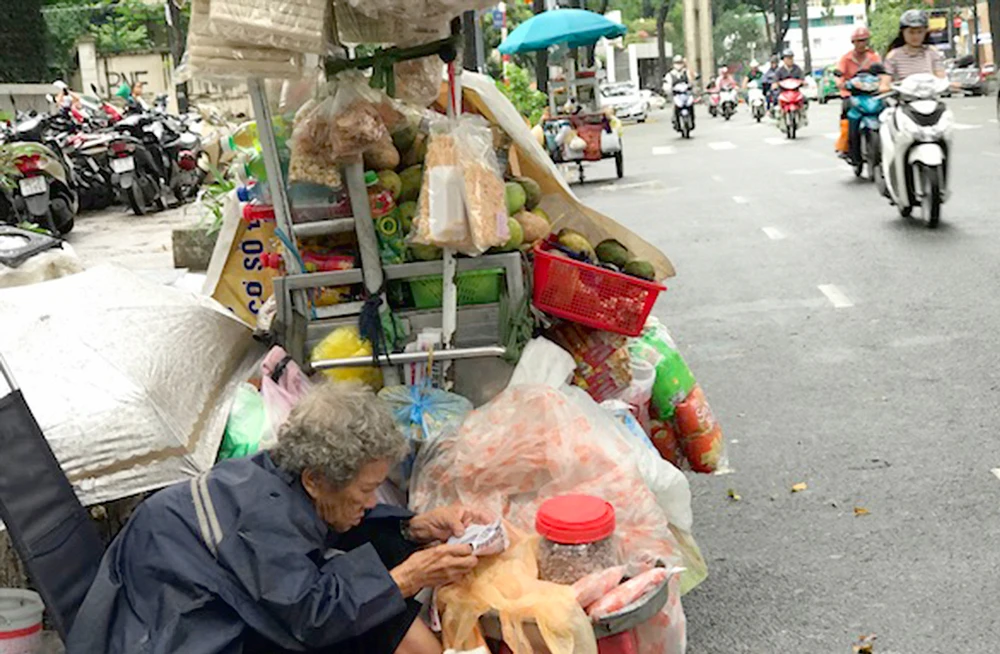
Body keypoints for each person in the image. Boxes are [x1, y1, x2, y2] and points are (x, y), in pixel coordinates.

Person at [68, 381, 489, 654]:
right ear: (316, 479)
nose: (369, 501)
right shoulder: (259, 519)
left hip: (198, 596)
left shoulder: (282, 476)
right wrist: (408, 577)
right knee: (368, 616)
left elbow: (328, 534)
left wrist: (409, 528)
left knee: (377, 607)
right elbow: (312, 615)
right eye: (365, 491)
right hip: (171, 630)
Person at [835, 27, 881, 162]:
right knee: (846, 114)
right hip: (851, 94)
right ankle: (847, 146)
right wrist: (840, 83)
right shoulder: (846, 59)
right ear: (853, 42)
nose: (861, 44)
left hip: (872, 94)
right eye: (858, 41)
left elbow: (883, 72)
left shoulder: (874, 57)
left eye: (864, 40)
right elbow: (839, 74)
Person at [879, 9, 945, 92]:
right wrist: (886, 87)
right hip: (905, 101)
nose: (915, 36)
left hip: (930, 98)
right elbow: (884, 84)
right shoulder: (893, 55)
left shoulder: (932, 52)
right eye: (911, 32)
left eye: (919, 32)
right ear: (902, 32)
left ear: (925, 32)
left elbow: (941, 79)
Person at [774, 49, 808, 124]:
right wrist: (775, 84)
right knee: (775, 99)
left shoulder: (797, 69)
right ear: (783, 60)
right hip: (783, 92)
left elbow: (802, 78)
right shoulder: (779, 70)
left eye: (791, 58)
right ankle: (778, 116)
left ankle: (803, 115)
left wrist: (803, 82)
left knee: (805, 99)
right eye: (787, 58)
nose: (790, 60)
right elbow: (775, 81)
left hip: (795, 92)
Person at [663, 55, 696, 128]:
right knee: (675, 106)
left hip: (686, 94)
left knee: (691, 104)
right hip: (676, 95)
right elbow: (666, 84)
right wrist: (668, 89)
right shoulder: (670, 74)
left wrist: (692, 85)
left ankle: (692, 119)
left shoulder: (686, 72)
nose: (679, 65)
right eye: (677, 63)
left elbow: (692, 79)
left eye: (680, 62)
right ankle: (675, 119)